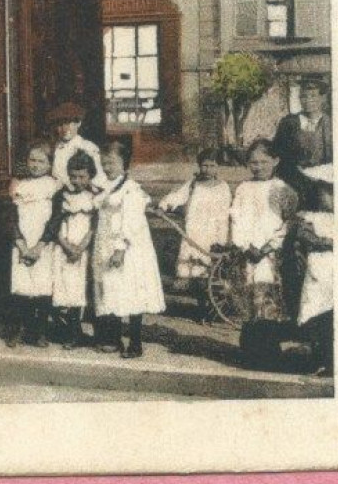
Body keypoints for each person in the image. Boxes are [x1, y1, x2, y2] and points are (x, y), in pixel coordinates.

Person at [91, 141, 167, 358]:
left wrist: (120, 249)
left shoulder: (131, 190)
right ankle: (112, 337)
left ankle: (135, 341)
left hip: (128, 248)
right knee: (112, 290)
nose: (108, 167)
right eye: (104, 163)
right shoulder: (105, 186)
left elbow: (131, 222)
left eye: (112, 162)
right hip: (106, 243)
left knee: (132, 292)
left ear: (124, 164)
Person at [229, 138, 300, 324]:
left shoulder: (283, 189)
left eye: (263, 162)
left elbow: (290, 222)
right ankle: (249, 349)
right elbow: (236, 219)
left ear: (275, 161)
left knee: (269, 306)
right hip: (248, 254)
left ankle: (268, 349)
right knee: (249, 308)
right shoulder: (243, 189)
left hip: (272, 255)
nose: (258, 167)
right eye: (253, 162)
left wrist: (269, 247)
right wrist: (245, 246)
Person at [158, 148, 233, 318]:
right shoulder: (193, 184)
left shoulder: (223, 188)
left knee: (210, 270)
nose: (207, 169)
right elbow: (176, 196)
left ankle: (210, 306)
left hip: (214, 233)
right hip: (194, 231)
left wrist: (223, 238)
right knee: (192, 271)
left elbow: (225, 214)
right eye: (204, 165)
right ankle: (199, 306)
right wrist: (164, 205)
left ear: (218, 167)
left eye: (212, 165)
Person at [6, 142, 57, 348]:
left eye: (41, 161)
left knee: (42, 288)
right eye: (32, 160)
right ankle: (18, 329)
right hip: (22, 242)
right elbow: (12, 218)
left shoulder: (54, 187)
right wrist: (22, 245)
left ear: (49, 164)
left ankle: (40, 331)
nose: (35, 165)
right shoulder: (19, 186)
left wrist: (39, 246)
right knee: (22, 288)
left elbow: (55, 220)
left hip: (43, 244)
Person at [49, 150, 99, 349]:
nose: (77, 181)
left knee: (82, 290)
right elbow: (55, 224)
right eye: (73, 176)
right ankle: (69, 330)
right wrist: (66, 245)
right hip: (64, 247)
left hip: (85, 248)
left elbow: (95, 225)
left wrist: (82, 247)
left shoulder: (95, 196)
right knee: (65, 288)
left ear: (90, 175)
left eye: (82, 177)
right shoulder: (62, 196)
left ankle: (85, 332)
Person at [293, 164, 335, 375]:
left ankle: (332, 360)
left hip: (337, 270)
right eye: (324, 191)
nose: (328, 197)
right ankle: (318, 357)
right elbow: (307, 237)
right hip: (319, 268)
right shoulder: (310, 216)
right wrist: (329, 242)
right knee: (315, 311)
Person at [272, 79, 332, 197]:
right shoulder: (288, 123)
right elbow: (279, 153)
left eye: (313, 95)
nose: (308, 100)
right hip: (295, 179)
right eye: (304, 96)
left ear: (322, 98)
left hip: (325, 179)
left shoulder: (330, 123)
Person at [46, 101, 107, 188]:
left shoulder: (88, 147)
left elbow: (99, 178)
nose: (64, 129)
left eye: (68, 123)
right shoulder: (54, 148)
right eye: (60, 124)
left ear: (78, 123)